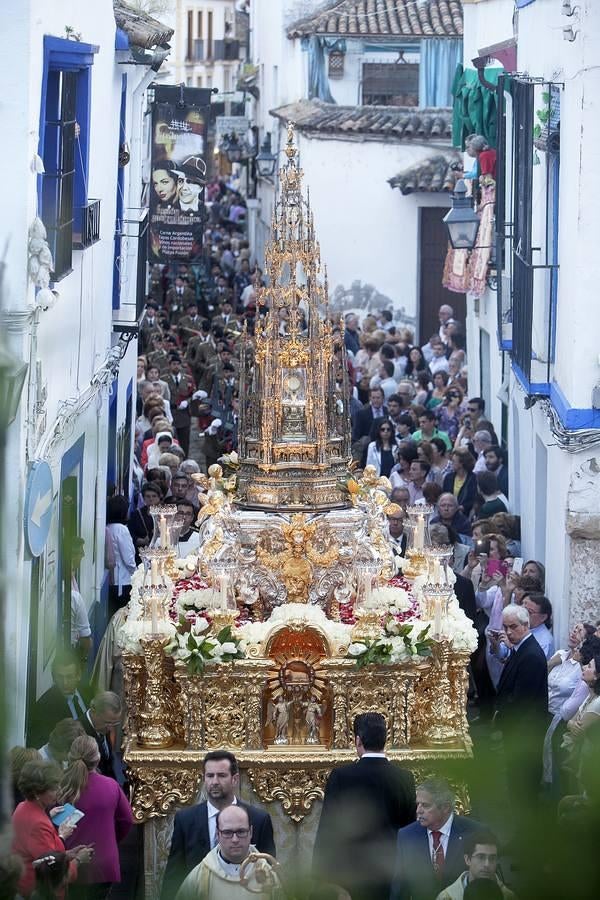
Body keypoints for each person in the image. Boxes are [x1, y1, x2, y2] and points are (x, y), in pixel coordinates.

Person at [314, 712, 416, 900]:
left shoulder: (341, 776)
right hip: (391, 873)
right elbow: (410, 830)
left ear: (358, 740)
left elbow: (329, 829)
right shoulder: (405, 778)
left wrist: (321, 877)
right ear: (385, 739)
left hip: (351, 875)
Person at [162, 750, 275, 899]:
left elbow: (268, 873)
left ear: (234, 779)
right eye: (210, 775)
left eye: (221, 775)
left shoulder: (259, 820)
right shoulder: (186, 820)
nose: (214, 781)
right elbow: (174, 876)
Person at [58, 736, 133, 900]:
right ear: (97, 758)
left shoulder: (62, 787)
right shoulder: (111, 786)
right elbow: (127, 820)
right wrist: (110, 839)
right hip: (103, 861)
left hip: (69, 861)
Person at [11, 760, 92, 898]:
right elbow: (54, 873)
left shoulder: (22, 807)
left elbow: (43, 853)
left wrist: (68, 854)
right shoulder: (38, 824)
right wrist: (78, 860)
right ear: (37, 793)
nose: (59, 791)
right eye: (54, 788)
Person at [390, 778, 481, 900]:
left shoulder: (474, 832)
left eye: (425, 805)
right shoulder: (407, 836)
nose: (418, 811)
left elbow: (485, 884)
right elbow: (400, 889)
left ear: (445, 808)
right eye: (417, 804)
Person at [492, 605, 549, 789]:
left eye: (513, 626)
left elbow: (521, 700)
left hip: (525, 732)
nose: (508, 632)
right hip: (518, 730)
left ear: (526, 625)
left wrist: (501, 716)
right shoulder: (522, 648)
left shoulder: (531, 654)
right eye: (505, 627)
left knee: (523, 785)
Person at [174, 805, 280, 900]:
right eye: (227, 832)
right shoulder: (199, 877)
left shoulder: (268, 874)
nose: (235, 839)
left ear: (251, 832)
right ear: (217, 834)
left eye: (241, 831)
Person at [28, 649, 91, 747]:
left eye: (69, 677)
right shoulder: (44, 707)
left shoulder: (89, 693)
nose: (64, 682)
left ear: (78, 675)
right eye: (60, 677)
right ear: (53, 677)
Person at [435, 830, 515, 900]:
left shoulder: (508, 897)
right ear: (467, 860)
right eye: (481, 857)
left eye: (492, 858)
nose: (487, 864)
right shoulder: (446, 898)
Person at [78, 692, 122, 780]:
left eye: (115, 723)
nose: (110, 729)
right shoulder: (79, 734)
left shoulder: (104, 726)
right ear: (94, 711)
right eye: (107, 722)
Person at [105, 495, 136, 620]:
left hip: (115, 580)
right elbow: (128, 558)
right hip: (123, 580)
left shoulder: (108, 527)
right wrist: (137, 573)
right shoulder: (121, 530)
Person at [443, 449, 478, 518]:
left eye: (453, 461)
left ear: (462, 463)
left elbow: (473, 498)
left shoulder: (473, 478)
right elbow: (444, 494)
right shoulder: (448, 477)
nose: (451, 463)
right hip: (448, 512)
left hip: (466, 514)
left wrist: (461, 507)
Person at [521, 593, 555, 659]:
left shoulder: (544, 641)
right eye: (522, 610)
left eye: (529, 612)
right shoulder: (523, 628)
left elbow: (533, 665)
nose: (523, 615)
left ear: (543, 617)